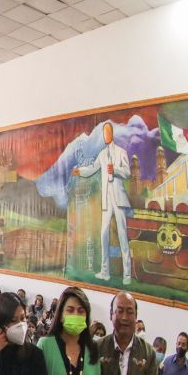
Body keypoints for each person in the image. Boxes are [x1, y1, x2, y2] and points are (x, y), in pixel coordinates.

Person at [73, 122, 133, 284]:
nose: (106, 135)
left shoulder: (121, 153)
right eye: (104, 133)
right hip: (106, 201)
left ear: (112, 134)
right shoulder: (102, 154)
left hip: (119, 199)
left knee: (122, 235)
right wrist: (80, 172)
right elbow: (92, 168)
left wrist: (117, 170)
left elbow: (127, 172)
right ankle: (105, 272)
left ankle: (127, 274)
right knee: (103, 235)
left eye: (108, 132)